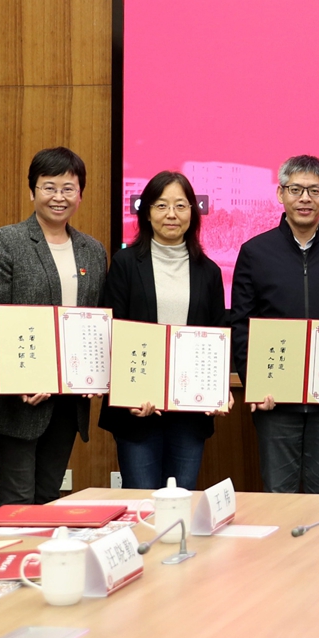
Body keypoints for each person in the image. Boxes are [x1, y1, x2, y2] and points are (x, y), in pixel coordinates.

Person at [232, 154, 319, 493]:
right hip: (275, 401)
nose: (304, 198)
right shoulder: (255, 252)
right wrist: (255, 384)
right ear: (280, 194)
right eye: (295, 189)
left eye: (314, 190)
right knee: (278, 495)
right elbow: (241, 324)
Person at [0, 147, 109, 506]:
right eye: (49, 187)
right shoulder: (7, 241)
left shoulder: (92, 250)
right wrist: (23, 376)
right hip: (20, 399)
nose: (58, 197)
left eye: (68, 188)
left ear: (80, 194)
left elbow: (97, 319)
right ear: (32, 191)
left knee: (50, 496)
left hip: (68, 399)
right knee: (17, 498)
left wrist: (93, 373)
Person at [98, 169, 232, 489]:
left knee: (181, 499)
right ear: (146, 213)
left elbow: (218, 332)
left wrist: (219, 387)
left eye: (180, 205)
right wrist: (128, 393)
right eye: (161, 205)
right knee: (142, 500)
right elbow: (112, 331)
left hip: (190, 411)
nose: (171, 214)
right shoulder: (125, 264)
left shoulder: (209, 272)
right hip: (138, 408)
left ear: (193, 212)